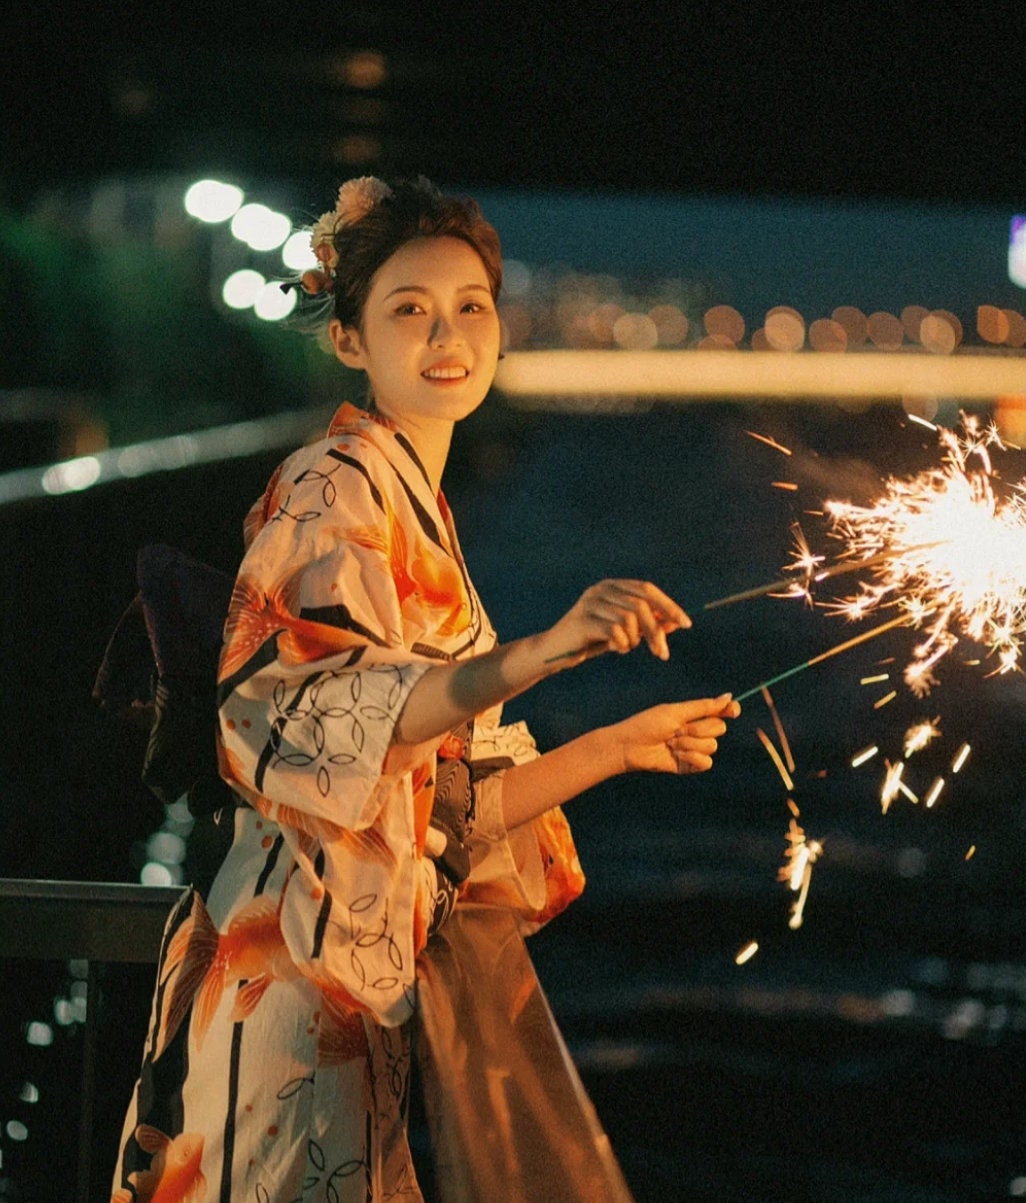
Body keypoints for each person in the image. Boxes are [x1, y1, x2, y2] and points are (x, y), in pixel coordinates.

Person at [110, 175, 740, 1203]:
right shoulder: (331, 487)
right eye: (410, 310)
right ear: (350, 339)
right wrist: (537, 651)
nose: (448, 334)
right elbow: (316, 713)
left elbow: (429, 802)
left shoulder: (410, 500)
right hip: (284, 994)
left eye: (470, 308)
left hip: (350, 1002)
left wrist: (622, 746)